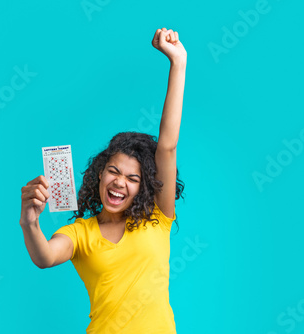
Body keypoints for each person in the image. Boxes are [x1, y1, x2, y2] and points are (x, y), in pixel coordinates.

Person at [20, 27, 187, 334]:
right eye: (113, 171)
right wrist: (30, 223)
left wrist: (178, 62)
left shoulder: (158, 218)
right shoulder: (80, 233)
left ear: (144, 187)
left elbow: (167, 146)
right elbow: (45, 257)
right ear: (100, 174)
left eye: (132, 178)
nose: (120, 182)